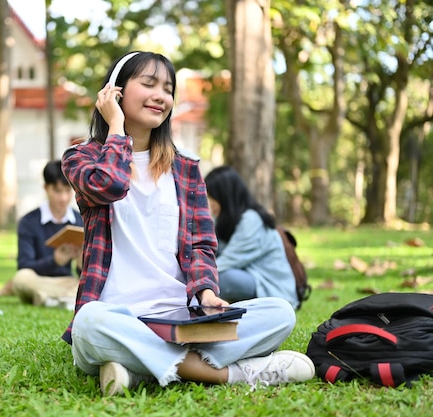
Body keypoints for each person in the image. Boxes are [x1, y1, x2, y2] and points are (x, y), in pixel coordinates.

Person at [60, 50, 315, 396]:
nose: (160, 96)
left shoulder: (185, 169)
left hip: (180, 318)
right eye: (148, 84)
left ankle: (135, 370)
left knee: (280, 311)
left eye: (167, 89)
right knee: (88, 323)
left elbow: (199, 245)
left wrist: (207, 293)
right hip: (117, 315)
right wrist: (117, 129)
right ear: (115, 91)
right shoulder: (81, 158)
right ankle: (230, 374)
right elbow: (110, 185)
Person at [204, 165, 299, 308]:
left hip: (272, 288)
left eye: (212, 196)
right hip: (248, 277)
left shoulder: (251, 220)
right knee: (213, 277)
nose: (210, 202)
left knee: (222, 278)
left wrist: (196, 278)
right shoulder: (223, 220)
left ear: (225, 195)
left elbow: (229, 260)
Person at [0, 160, 84, 308]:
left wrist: (81, 263)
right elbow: (24, 266)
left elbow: (83, 274)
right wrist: (55, 261)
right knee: (21, 279)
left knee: (85, 285)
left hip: (66, 282)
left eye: (68, 191)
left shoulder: (79, 220)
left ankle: (48, 299)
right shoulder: (29, 222)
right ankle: (59, 299)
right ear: (46, 188)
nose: (63, 198)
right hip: (36, 280)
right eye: (57, 191)